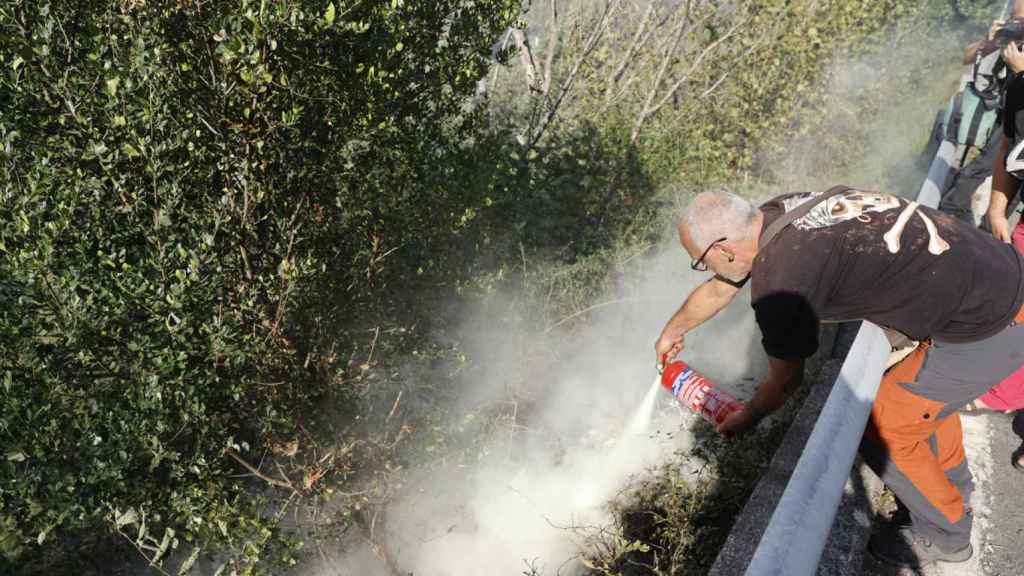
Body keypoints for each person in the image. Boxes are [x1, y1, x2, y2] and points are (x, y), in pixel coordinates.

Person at [655, 187, 1024, 568]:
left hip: (992, 320)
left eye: (701, 262)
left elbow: (785, 382)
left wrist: (745, 417)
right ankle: (955, 494)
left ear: (723, 249)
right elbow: (721, 287)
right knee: (919, 402)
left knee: (885, 424)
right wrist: (673, 330)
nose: (708, 270)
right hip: (1000, 272)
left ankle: (947, 538)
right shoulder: (782, 211)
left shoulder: (782, 281)